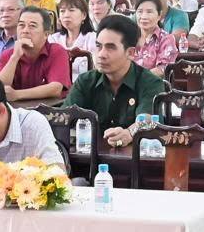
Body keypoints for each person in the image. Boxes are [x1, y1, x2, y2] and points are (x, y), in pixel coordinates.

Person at [65, 14, 168, 147]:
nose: (101, 54)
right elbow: (64, 118)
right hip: (89, 155)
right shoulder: (85, 81)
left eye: (110, 47)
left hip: (134, 155)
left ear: (130, 53)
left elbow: (148, 119)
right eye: (99, 46)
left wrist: (130, 133)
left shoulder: (150, 82)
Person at [0, 6, 70, 104]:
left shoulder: (57, 51)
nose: (25, 30)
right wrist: (14, 58)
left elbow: (56, 88)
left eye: (32, 26)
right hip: (16, 111)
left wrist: (17, 95)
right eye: (21, 25)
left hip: (51, 109)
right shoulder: (8, 54)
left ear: (46, 34)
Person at [132, 0, 184, 73]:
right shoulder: (129, 36)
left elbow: (163, 69)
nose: (144, 16)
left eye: (149, 12)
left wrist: (139, 78)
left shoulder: (166, 39)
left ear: (159, 15)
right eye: (140, 11)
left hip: (151, 80)